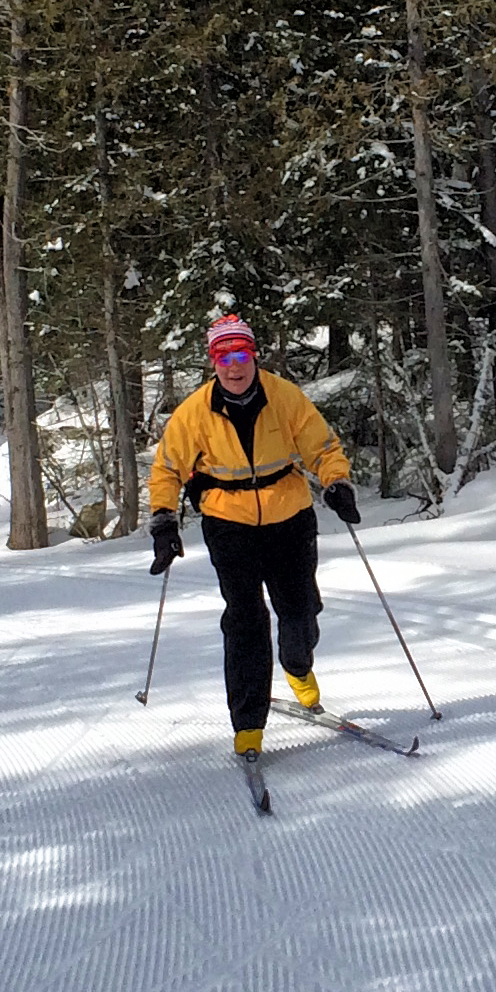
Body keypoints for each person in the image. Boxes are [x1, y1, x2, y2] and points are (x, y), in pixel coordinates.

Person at [147, 311, 360, 759]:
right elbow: (166, 468)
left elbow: (322, 447)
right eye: (224, 357)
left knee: (299, 611)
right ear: (213, 363)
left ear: (254, 356)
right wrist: (164, 521)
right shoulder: (193, 414)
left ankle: (297, 667)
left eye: (241, 354)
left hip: (290, 518)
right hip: (229, 525)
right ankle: (247, 726)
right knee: (245, 623)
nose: (234, 366)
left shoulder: (284, 397)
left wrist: (336, 482)